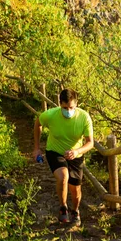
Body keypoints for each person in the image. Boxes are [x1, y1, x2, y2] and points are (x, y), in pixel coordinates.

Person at [33, 88, 93, 226]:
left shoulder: (84, 117)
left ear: (76, 104)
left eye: (71, 107)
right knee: (63, 176)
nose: (68, 110)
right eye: (65, 107)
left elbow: (90, 143)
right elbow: (38, 123)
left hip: (76, 154)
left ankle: (75, 211)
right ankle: (63, 207)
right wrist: (36, 148)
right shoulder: (50, 115)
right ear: (60, 104)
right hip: (55, 151)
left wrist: (77, 151)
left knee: (75, 188)